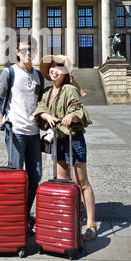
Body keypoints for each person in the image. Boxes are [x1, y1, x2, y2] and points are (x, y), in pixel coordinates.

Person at [34, 54, 97, 241]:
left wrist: (72, 117)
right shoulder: (47, 92)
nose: (54, 70)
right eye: (51, 67)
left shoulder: (70, 89)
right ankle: (70, 217)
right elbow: (40, 108)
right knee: (63, 182)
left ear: (65, 71)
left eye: (59, 67)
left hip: (73, 139)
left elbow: (79, 110)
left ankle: (91, 223)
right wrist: (47, 117)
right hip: (58, 140)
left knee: (81, 182)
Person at [0, 36, 44, 235]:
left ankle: (24, 214)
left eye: (31, 50)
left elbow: (41, 102)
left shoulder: (39, 75)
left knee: (35, 175)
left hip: (34, 132)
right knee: (16, 176)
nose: (28, 54)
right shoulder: (9, 72)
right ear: (17, 53)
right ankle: (16, 218)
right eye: (24, 50)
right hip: (15, 131)